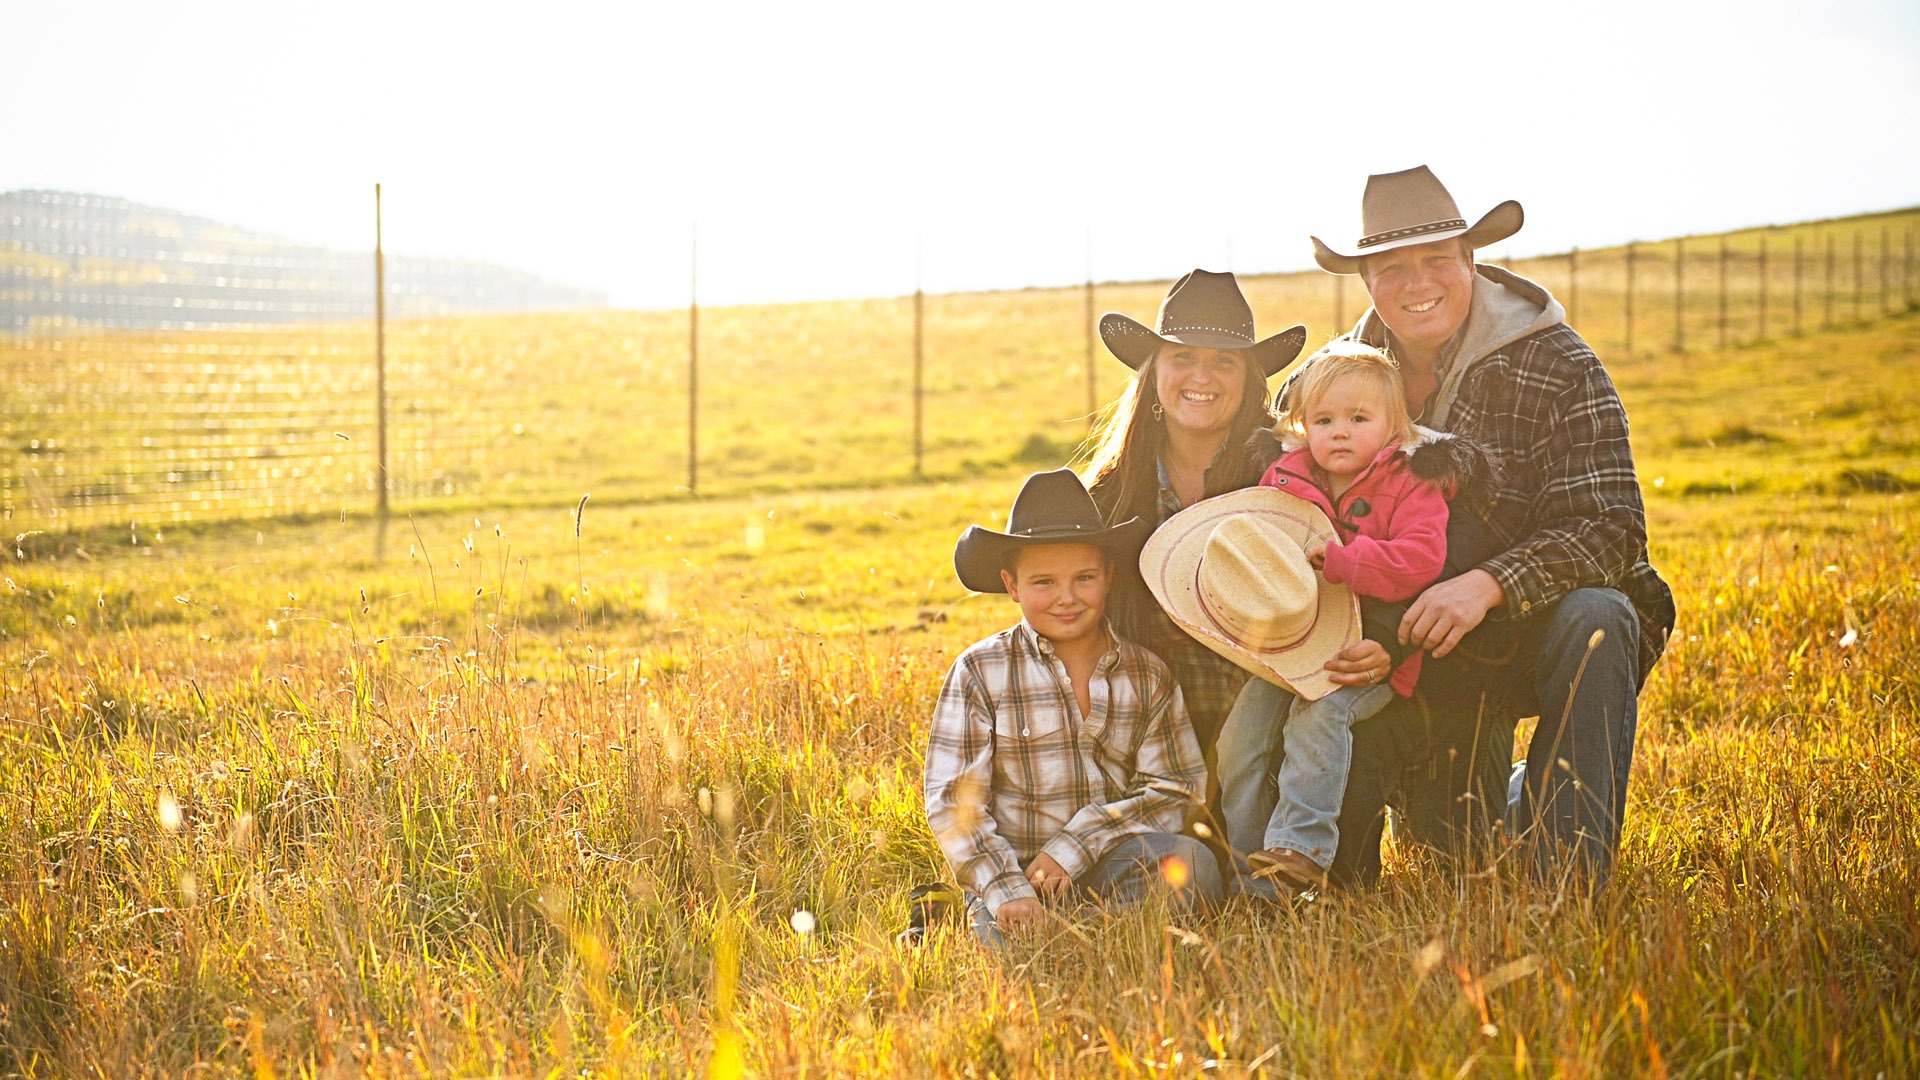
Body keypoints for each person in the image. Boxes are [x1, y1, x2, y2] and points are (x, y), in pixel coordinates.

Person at [1305, 165, 1677, 891]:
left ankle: (1568, 879)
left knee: (1599, 616)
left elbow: (1610, 527)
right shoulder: (1338, 382)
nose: (1418, 284)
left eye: (1437, 260)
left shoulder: (1559, 363)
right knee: (1454, 845)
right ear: (1367, 280)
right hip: (1425, 649)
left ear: (1470, 260)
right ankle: (1510, 794)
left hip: (1536, 626)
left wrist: (1489, 584)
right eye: (1392, 267)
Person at [1211, 341, 1490, 894]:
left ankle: (1303, 847)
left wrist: (1347, 560)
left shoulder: (1412, 483)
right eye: (1324, 419)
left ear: (1394, 430)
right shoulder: (1284, 481)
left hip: (1363, 656)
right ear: (1302, 425)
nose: (1339, 432)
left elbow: (1421, 560)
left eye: (1358, 419)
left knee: (1319, 716)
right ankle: (1245, 868)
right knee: (1240, 740)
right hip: (1289, 647)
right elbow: (1264, 550)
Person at [924, 468, 1221, 944]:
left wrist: (1077, 844)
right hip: (1013, 874)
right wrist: (1008, 891)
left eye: (1084, 578)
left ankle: (1083, 936)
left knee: (1192, 865)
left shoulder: (1147, 675)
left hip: (1113, 864)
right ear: (1012, 585)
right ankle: (1050, 932)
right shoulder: (980, 671)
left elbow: (1177, 788)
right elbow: (954, 803)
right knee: (1009, 948)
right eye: (1044, 582)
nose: (1066, 598)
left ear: (1108, 577)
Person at [1081, 269, 1360, 759]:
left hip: (1277, 719)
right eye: (1182, 357)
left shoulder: (1293, 473)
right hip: (1145, 730)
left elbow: (1351, 573)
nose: (1201, 377)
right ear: (1154, 373)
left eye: (1223, 362)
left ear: (1250, 378)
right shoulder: (1111, 491)